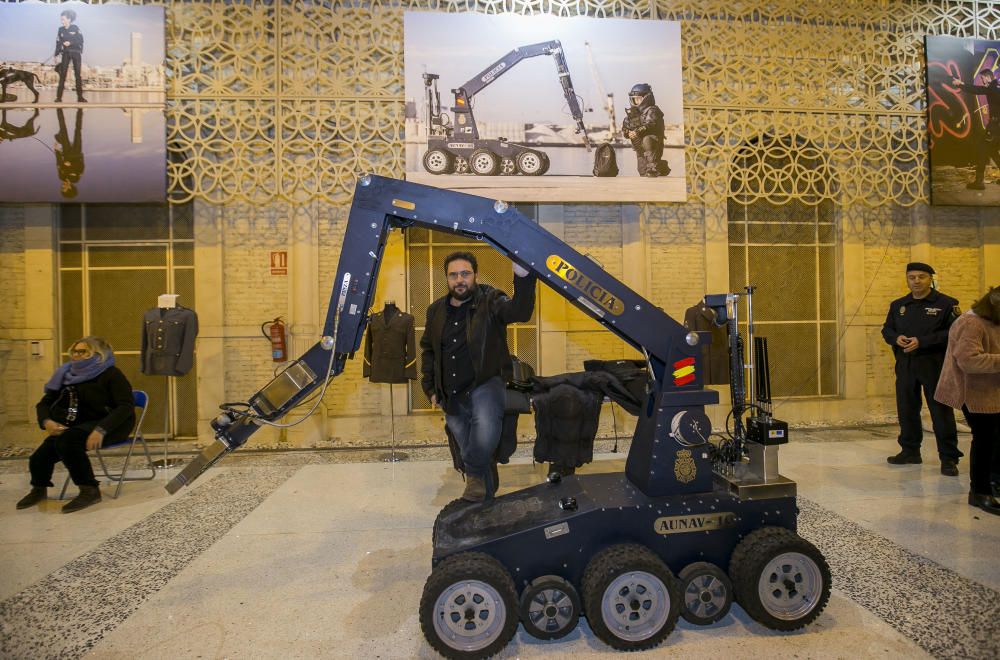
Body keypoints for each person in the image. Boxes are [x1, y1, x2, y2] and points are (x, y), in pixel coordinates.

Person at [420, 252, 535, 502]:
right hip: (450, 393)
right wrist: (430, 388)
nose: (459, 280)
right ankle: (484, 498)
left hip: (486, 384)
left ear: (475, 275)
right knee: (468, 446)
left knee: (483, 434)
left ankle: (473, 479)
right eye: (453, 275)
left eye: (465, 273)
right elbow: (429, 349)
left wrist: (523, 276)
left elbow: (520, 311)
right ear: (447, 278)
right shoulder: (435, 310)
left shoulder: (491, 300)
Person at [16, 336, 135, 513]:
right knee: (40, 456)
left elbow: (125, 406)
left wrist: (101, 430)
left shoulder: (111, 374)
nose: (77, 356)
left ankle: (89, 490)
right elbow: (45, 403)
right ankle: (39, 489)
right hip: (77, 425)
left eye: (83, 352)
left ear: (98, 354)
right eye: (75, 351)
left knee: (68, 442)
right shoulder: (66, 375)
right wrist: (47, 421)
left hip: (111, 425)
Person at [881, 262, 962, 474]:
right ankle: (910, 451)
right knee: (907, 409)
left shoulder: (946, 304)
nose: (916, 281)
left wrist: (923, 341)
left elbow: (954, 333)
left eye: (921, 277)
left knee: (940, 412)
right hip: (906, 365)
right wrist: (896, 338)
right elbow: (887, 329)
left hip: (934, 366)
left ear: (930, 279)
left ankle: (948, 458)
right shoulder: (898, 305)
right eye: (912, 277)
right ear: (907, 279)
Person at [935, 287, 1000, 515]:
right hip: (974, 392)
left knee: (995, 438)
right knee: (985, 439)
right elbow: (969, 361)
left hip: (992, 389)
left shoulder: (993, 318)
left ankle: (994, 480)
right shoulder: (972, 323)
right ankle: (979, 492)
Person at [951, 68, 1000, 190]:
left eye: (983, 79)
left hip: (994, 126)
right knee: (992, 150)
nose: (983, 82)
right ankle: (979, 181)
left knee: (982, 149)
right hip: (997, 126)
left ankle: (979, 182)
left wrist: (961, 84)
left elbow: (977, 90)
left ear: (988, 77)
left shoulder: (992, 87)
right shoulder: (997, 86)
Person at [621, 83, 667, 177]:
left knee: (647, 140)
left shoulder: (653, 110)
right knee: (642, 171)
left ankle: (653, 168)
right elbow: (625, 128)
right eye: (634, 99)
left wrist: (636, 131)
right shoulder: (632, 114)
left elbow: (650, 124)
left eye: (638, 99)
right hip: (639, 146)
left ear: (646, 98)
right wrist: (628, 133)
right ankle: (662, 167)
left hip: (654, 143)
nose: (636, 101)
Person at [54, 8, 87, 103]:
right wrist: (56, 55)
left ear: (69, 19)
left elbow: (81, 40)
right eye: (61, 19)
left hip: (76, 53)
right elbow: (58, 42)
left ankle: (80, 97)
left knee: (77, 75)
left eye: (63, 19)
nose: (62, 21)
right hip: (66, 54)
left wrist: (71, 42)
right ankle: (58, 98)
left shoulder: (75, 28)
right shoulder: (60, 30)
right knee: (62, 75)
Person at [54, 107, 84, 199]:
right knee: (78, 130)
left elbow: (58, 163)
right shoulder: (76, 179)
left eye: (62, 188)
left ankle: (59, 109)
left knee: (63, 129)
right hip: (77, 152)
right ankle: (80, 109)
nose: (62, 186)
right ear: (70, 188)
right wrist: (70, 164)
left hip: (66, 153)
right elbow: (81, 165)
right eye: (64, 188)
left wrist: (56, 151)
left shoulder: (61, 176)